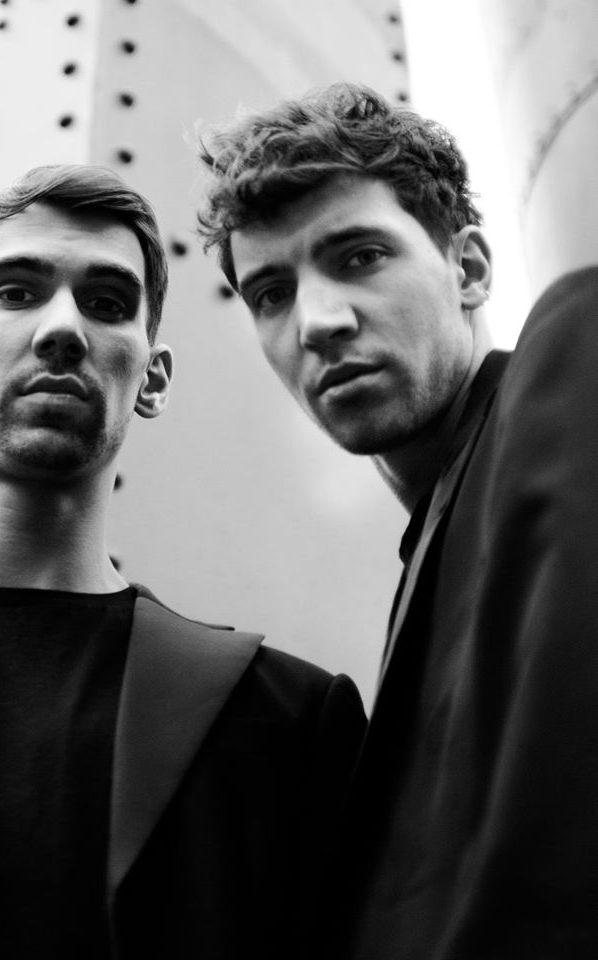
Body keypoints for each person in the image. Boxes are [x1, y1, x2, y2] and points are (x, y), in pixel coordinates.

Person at [0, 164, 366, 960]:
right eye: (16, 291)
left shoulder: (285, 722)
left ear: (153, 378)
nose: (62, 329)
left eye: (108, 303)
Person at [197, 83, 598, 958]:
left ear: (470, 269)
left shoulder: (574, 361)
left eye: (360, 256)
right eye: (271, 293)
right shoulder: (435, 544)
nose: (318, 322)